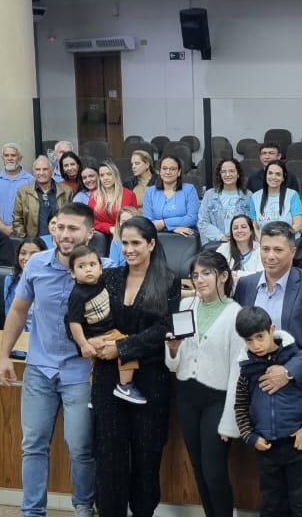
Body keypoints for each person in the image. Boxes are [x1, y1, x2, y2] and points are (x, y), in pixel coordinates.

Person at [0, 203, 104, 517]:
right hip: (40, 368)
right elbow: (17, 311)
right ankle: (32, 511)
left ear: (90, 233)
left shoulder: (103, 268)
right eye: (60, 227)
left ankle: (84, 506)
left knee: (81, 447)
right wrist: (4, 355)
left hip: (82, 373)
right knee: (33, 445)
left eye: (73, 229)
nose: (65, 235)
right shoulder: (37, 264)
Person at [233, 220, 302, 516]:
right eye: (265, 249)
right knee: (271, 493)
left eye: (278, 249)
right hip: (261, 401)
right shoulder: (247, 285)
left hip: (301, 396)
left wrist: (288, 372)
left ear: (292, 251)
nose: (270, 256)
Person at [84, 216, 180, 517]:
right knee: (108, 454)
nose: (129, 249)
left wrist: (122, 347)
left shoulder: (168, 280)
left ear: (151, 244)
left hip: (151, 379)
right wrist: (97, 343)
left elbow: (164, 328)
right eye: (124, 243)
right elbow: (88, 314)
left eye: (135, 242)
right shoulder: (109, 277)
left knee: (146, 454)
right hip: (107, 376)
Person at [165, 250, 244, 517]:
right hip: (187, 395)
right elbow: (174, 364)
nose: (200, 280)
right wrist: (173, 350)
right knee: (198, 469)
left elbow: (238, 372)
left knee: (214, 472)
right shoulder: (186, 307)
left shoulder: (236, 314)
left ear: (223, 276)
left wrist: (230, 421)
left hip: (218, 400)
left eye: (206, 273)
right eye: (195, 275)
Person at [233, 306, 302, 517]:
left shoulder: (296, 360)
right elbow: (240, 405)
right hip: (266, 449)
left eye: (260, 337)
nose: (255, 345)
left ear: (271, 329)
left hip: (297, 445)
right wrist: (250, 436)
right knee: (271, 505)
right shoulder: (247, 370)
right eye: (248, 340)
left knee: (301, 503)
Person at [65, 244, 145, 403]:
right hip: (101, 334)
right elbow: (74, 322)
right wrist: (84, 344)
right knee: (127, 348)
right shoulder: (77, 295)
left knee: (96, 368)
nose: (88, 269)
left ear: (101, 269)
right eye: (81, 266)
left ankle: (94, 397)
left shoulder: (102, 282)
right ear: (73, 273)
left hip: (106, 330)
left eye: (92, 265)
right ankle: (125, 385)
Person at [14, 156, 75, 239]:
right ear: (34, 172)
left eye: (45, 169)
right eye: (38, 169)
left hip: (60, 241)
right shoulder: (23, 191)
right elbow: (17, 219)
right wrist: (25, 241)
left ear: (52, 171)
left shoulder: (66, 191)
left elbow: (71, 217)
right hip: (34, 243)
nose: (41, 173)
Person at [143, 155, 200, 237]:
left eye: (172, 169)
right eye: (164, 168)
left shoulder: (189, 190)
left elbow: (192, 218)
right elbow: (148, 223)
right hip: (158, 237)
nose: (168, 172)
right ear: (159, 171)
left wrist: (164, 223)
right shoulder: (150, 192)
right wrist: (172, 228)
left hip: (186, 238)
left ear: (179, 172)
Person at [198, 158, 250, 245]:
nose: (228, 174)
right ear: (220, 175)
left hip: (242, 243)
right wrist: (221, 236)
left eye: (231, 171)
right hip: (217, 243)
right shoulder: (209, 195)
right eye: (224, 172)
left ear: (238, 174)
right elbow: (202, 222)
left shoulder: (248, 195)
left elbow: (252, 223)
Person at [0, 143, 34, 236]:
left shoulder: (30, 180)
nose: (9, 158)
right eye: (6, 155)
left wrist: (19, 227)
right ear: (2, 158)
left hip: (23, 231)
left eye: (13, 155)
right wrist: (3, 227)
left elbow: (33, 208)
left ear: (20, 158)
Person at [251, 161, 302, 232]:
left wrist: (280, 238)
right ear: (265, 175)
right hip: (263, 241)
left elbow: (298, 225)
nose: (273, 177)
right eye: (270, 173)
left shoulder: (292, 195)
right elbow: (254, 227)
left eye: (278, 174)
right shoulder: (255, 197)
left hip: (287, 240)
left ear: (283, 178)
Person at [90, 161, 139, 236]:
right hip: (101, 234)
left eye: (109, 174)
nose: (105, 178)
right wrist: (109, 228)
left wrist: (118, 229)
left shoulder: (129, 195)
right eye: (102, 175)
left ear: (115, 175)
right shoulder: (94, 195)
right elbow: (91, 220)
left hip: (123, 234)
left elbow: (134, 219)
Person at [5, 237, 46, 314]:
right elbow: (9, 313)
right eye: (23, 253)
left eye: (34, 254)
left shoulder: (50, 280)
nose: (27, 258)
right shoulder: (10, 279)